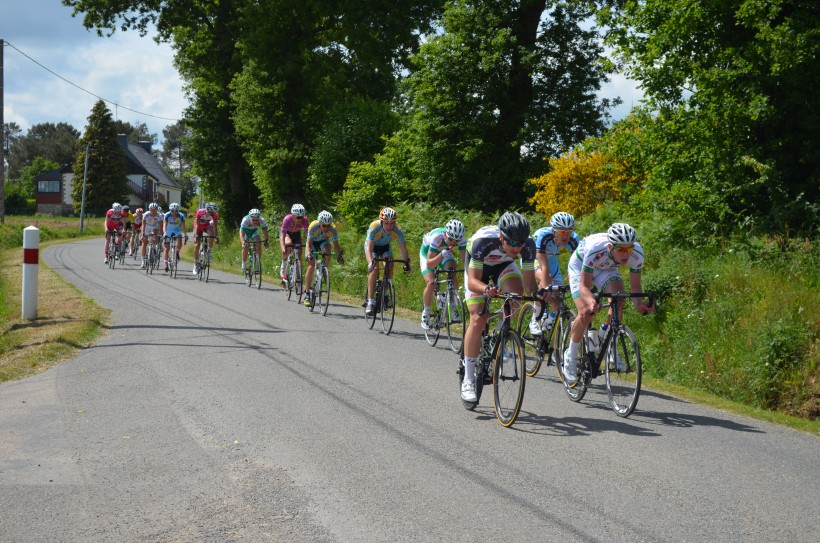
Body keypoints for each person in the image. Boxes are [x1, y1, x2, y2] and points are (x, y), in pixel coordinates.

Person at [460, 212, 543, 403]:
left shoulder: (528, 245)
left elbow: (530, 286)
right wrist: (486, 288)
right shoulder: (483, 242)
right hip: (478, 271)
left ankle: (499, 334)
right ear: (501, 237)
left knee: (516, 295)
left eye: (520, 243)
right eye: (512, 243)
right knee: (478, 318)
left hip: (503, 266)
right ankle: (469, 378)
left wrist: (539, 294)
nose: (516, 248)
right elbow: (473, 281)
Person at [562, 222, 656, 383]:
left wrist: (639, 305)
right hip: (581, 265)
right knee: (586, 311)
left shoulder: (637, 254)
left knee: (619, 299)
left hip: (607, 267)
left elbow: (635, 286)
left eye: (629, 248)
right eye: (621, 249)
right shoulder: (596, 249)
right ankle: (570, 355)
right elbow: (584, 286)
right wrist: (592, 300)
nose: (626, 254)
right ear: (611, 246)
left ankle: (606, 338)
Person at [527, 211, 580, 336]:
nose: (566, 236)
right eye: (562, 232)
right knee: (547, 282)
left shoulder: (573, 238)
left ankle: (550, 320)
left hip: (553, 263)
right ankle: (534, 319)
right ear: (553, 231)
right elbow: (544, 267)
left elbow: (579, 263)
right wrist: (546, 289)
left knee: (557, 295)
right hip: (534, 260)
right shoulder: (543, 236)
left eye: (569, 231)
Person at [419, 219, 467, 329]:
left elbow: (465, 260)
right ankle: (426, 311)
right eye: (450, 239)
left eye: (456, 240)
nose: (453, 243)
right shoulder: (437, 237)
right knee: (431, 283)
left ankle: (453, 303)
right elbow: (430, 264)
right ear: (445, 234)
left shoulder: (461, 238)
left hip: (444, 252)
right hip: (428, 254)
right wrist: (441, 255)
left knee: (452, 270)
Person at [364, 207, 411, 316]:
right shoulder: (374, 227)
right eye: (386, 223)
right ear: (381, 222)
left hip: (385, 247)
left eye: (392, 223)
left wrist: (406, 263)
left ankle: (385, 292)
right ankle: (370, 302)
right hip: (372, 247)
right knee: (374, 269)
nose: (389, 226)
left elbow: (403, 249)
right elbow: (369, 249)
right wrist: (371, 262)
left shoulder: (398, 230)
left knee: (390, 264)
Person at [303, 210, 345, 307]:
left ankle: (324, 269)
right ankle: (307, 294)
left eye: (328, 225)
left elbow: (336, 245)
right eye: (324, 226)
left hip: (323, 242)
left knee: (328, 252)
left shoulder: (333, 229)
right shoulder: (313, 226)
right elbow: (308, 244)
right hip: (312, 243)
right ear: (320, 224)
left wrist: (339, 256)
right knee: (311, 265)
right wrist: (309, 254)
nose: (326, 228)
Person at [280, 203, 309, 283]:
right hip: (287, 234)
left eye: (301, 217)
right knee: (288, 244)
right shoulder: (287, 219)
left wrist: (308, 246)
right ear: (293, 216)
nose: (300, 219)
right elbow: (282, 236)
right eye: (298, 217)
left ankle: (298, 276)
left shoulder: (305, 220)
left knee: (299, 253)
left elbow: (308, 235)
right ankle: (283, 268)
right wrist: (283, 248)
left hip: (296, 234)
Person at [192, 202, 220, 275]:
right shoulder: (200, 212)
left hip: (206, 226)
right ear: (209, 210)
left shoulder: (215, 215)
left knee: (211, 234)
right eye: (214, 211)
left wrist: (216, 237)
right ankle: (196, 263)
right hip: (198, 227)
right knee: (197, 245)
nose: (215, 212)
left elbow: (215, 227)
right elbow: (197, 226)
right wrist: (196, 236)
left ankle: (209, 252)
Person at [240, 208, 270, 274]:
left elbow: (265, 232)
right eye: (253, 220)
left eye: (257, 220)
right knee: (246, 246)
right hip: (245, 232)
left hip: (254, 232)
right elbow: (241, 234)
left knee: (259, 243)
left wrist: (266, 241)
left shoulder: (262, 220)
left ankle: (258, 263)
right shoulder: (245, 220)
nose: (255, 222)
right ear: (250, 218)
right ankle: (243, 263)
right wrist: (243, 243)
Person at [162, 203, 188, 272]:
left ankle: (177, 252)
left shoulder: (181, 216)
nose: (174, 212)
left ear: (178, 211)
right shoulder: (167, 215)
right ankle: (166, 264)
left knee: (179, 243)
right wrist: (165, 233)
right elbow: (164, 225)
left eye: (176, 211)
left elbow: (183, 226)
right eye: (172, 211)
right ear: (170, 210)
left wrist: (185, 234)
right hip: (168, 231)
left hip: (177, 231)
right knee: (167, 248)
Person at [140, 202, 164, 269]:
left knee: (155, 234)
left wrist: (161, 235)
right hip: (147, 226)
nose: (153, 211)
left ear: (157, 210)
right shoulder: (146, 214)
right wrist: (142, 234)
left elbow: (160, 227)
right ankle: (143, 260)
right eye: (151, 210)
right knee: (144, 243)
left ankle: (154, 247)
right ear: (149, 209)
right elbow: (143, 225)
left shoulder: (159, 216)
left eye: (155, 210)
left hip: (154, 226)